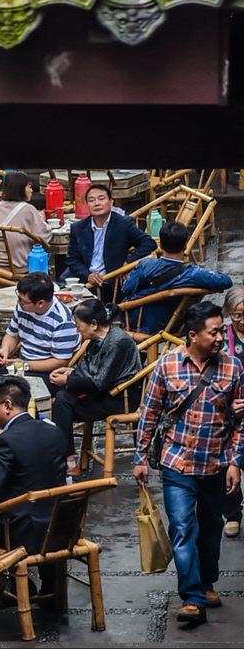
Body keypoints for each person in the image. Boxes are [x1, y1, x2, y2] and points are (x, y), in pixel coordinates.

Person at [133, 301, 244, 628]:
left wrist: (236, 462)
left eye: (221, 331)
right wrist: (140, 457)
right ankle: (192, 598)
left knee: (210, 531)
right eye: (214, 332)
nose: (220, 338)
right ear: (192, 335)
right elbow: (149, 413)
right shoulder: (167, 366)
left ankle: (207, 582)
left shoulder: (233, 368)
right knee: (181, 529)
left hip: (216, 465)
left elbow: (241, 422)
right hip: (176, 464)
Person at [0, 375, 68, 595]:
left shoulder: (6, 440)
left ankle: (7, 586)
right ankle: (50, 587)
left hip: (24, 532)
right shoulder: (54, 430)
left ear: (7, 405)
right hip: (60, 524)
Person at [50, 299, 142, 476]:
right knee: (60, 398)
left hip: (118, 398)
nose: (77, 329)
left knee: (62, 404)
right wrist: (71, 372)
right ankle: (67, 460)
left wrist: (68, 380)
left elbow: (99, 382)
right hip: (103, 392)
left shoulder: (118, 341)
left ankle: (67, 462)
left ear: (93, 324)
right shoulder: (97, 338)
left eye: (78, 325)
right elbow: (90, 368)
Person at [120, 221, 232, 333]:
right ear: (185, 245)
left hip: (139, 323)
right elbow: (226, 281)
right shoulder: (193, 274)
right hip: (176, 325)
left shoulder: (145, 265)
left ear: (161, 245)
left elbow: (126, 289)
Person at [63, 183, 156, 301]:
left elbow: (148, 243)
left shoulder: (123, 224)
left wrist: (128, 263)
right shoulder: (78, 228)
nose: (97, 203)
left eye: (101, 199)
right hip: (86, 282)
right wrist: (88, 275)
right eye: (91, 200)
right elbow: (72, 259)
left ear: (111, 203)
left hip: (112, 283)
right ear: (86, 204)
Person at [0, 272, 81, 396]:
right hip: (22, 366)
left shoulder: (62, 320)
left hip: (48, 373)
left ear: (40, 303)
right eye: (19, 298)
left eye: (23, 301)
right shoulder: (23, 307)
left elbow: (60, 361)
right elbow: (12, 335)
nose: (19, 302)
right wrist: (5, 349)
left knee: (9, 393)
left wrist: (25, 365)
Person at [0, 171, 52, 274]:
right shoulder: (28, 209)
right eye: (29, 186)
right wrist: (42, 219)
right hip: (21, 266)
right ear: (20, 189)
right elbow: (44, 235)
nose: (31, 190)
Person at [222, 288, 244, 537]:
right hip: (230, 408)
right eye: (237, 315)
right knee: (227, 462)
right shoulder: (223, 337)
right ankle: (233, 514)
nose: (242, 320)